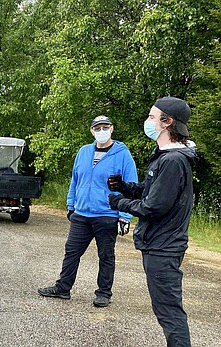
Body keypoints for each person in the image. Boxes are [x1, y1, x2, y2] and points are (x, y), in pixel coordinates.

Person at [108, 97, 195, 346]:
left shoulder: (173, 160)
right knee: (166, 310)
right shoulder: (165, 156)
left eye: (151, 117)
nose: (147, 121)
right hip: (158, 243)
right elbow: (152, 191)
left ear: (167, 122)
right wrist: (127, 188)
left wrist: (119, 203)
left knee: (169, 312)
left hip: (164, 247)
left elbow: (154, 207)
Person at [38, 115, 138, 307]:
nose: (101, 131)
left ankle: (103, 293)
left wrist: (125, 216)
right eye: (97, 128)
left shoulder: (122, 154)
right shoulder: (84, 152)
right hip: (82, 214)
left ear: (112, 129)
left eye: (105, 127)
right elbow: (75, 181)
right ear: (92, 131)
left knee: (106, 256)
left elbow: (131, 186)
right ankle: (62, 288)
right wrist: (71, 206)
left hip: (107, 215)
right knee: (71, 252)